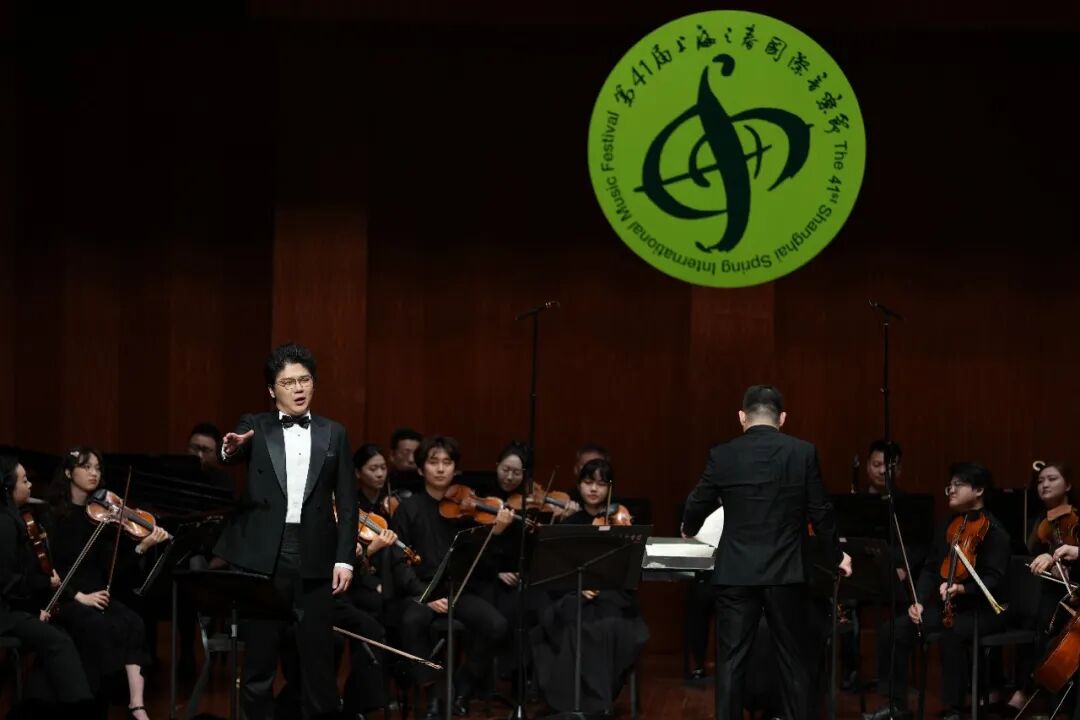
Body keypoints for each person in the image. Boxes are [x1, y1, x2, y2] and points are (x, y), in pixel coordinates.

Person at [681, 385, 852, 720]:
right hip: (786, 573)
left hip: (735, 573)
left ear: (741, 417)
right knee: (793, 661)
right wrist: (836, 556)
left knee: (731, 663)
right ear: (782, 418)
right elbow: (822, 512)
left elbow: (697, 501)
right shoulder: (802, 453)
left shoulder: (723, 454)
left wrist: (689, 526)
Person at [213, 342, 357, 720]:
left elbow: (348, 502)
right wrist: (231, 447)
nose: (298, 388)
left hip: (315, 558)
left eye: (304, 380)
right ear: (271, 390)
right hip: (263, 560)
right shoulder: (256, 426)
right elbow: (232, 448)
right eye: (288, 382)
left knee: (318, 666)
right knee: (259, 666)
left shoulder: (335, 433)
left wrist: (344, 559)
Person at [867, 462, 1010, 720]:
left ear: (979, 490)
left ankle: (953, 709)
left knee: (951, 632)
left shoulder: (994, 531)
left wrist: (963, 588)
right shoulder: (949, 525)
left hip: (983, 611)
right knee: (893, 630)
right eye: (950, 485)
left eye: (958, 485)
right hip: (949, 609)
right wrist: (919, 601)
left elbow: (994, 580)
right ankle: (896, 705)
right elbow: (932, 568)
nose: (951, 490)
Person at [389, 435, 512, 719]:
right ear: (421, 469)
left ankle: (461, 685)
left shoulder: (468, 511)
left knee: (497, 625)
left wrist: (494, 534)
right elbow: (398, 561)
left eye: (447, 462)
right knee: (411, 621)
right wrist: (425, 596)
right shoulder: (408, 509)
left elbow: (481, 564)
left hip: (457, 590)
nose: (441, 468)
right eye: (434, 462)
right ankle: (433, 693)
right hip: (421, 590)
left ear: (455, 468)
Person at [45, 447, 170, 720]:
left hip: (97, 594)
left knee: (133, 622)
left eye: (98, 468)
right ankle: (92, 705)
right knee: (99, 627)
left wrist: (142, 546)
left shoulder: (102, 516)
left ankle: (136, 705)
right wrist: (79, 596)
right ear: (68, 472)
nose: (94, 473)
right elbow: (47, 568)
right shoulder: (52, 515)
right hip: (65, 597)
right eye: (86, 467)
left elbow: (114, 570)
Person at [531, 459, 649, 714]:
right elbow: (555, 574)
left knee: (606, 627)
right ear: (579, 485)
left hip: (612, 597)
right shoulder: (568, 525)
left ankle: (597, 702)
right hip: (573, 595)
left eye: (601, 483)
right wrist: (578, 587)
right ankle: (581, 705)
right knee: (577, 626)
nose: (594, 489)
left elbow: (630, 575)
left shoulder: (620, 523)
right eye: (588, 482)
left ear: (610, 488)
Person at [0, 455, 93, 714]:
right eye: (24, 481)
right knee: (59, 642)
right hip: (4, 614)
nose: (30, 485)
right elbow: (7, 582)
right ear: (7, 488)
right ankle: (82, 711)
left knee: (60, 637)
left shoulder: (13, 518)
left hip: (12, 608)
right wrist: (37, 598)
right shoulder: (4, 524)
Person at [1008, 461, 1077, 712]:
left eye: (1052, 479)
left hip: (1071, 593)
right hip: (1046, 589)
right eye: (1040, 481)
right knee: (1028, 615)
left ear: (1068, 485)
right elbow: (1029, 557)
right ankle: (1030, 686)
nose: (1044, 484)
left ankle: (1031, 689)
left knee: (1042, 618)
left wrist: (1064, 564)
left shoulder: (1075, 517)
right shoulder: (1037, 521)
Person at [186, 421, 232, 491]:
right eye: (195, 448)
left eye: (206, 450)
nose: (199, 455)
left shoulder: (223, 483)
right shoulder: (175, 475)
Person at [387, 427, 424, 494]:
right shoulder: (382, 484)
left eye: (416, 453)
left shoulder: (430, 484)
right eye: (405, 453)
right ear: (392, 455)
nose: (411, 459)